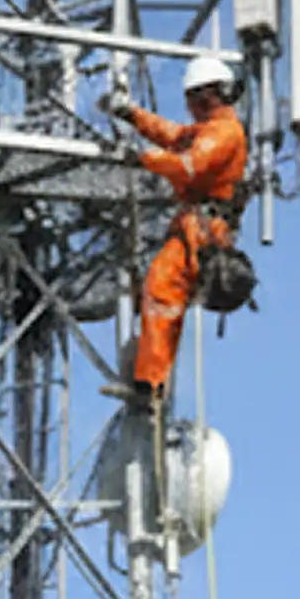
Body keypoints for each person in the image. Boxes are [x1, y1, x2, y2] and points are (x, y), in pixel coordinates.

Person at [105, 53, 249, 411]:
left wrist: (142, 158)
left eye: (197, 99)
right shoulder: (207, 129)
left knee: (162, 290)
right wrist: (132, 115)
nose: (192, 107)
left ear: (213, 95)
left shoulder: (224, 132)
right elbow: (172, 136)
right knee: (158, 292)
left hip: (204, 230)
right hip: (197, 226)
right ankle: (150, 378)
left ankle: (150, 383)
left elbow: (188, 166)